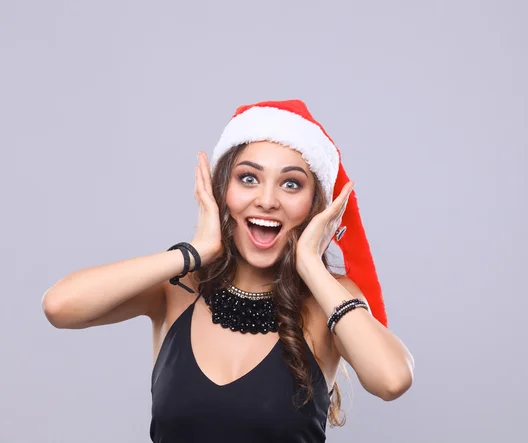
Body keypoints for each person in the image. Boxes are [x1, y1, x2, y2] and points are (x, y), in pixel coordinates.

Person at [42, 99, 415, 442]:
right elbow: (60, 306)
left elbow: (392, 380)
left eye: (291, 184)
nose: (267, 200)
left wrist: (310, 265)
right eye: (248, 178)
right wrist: (195, 251)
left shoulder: (329, 300)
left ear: (314, 205)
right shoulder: (178, 288)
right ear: (223, 192)